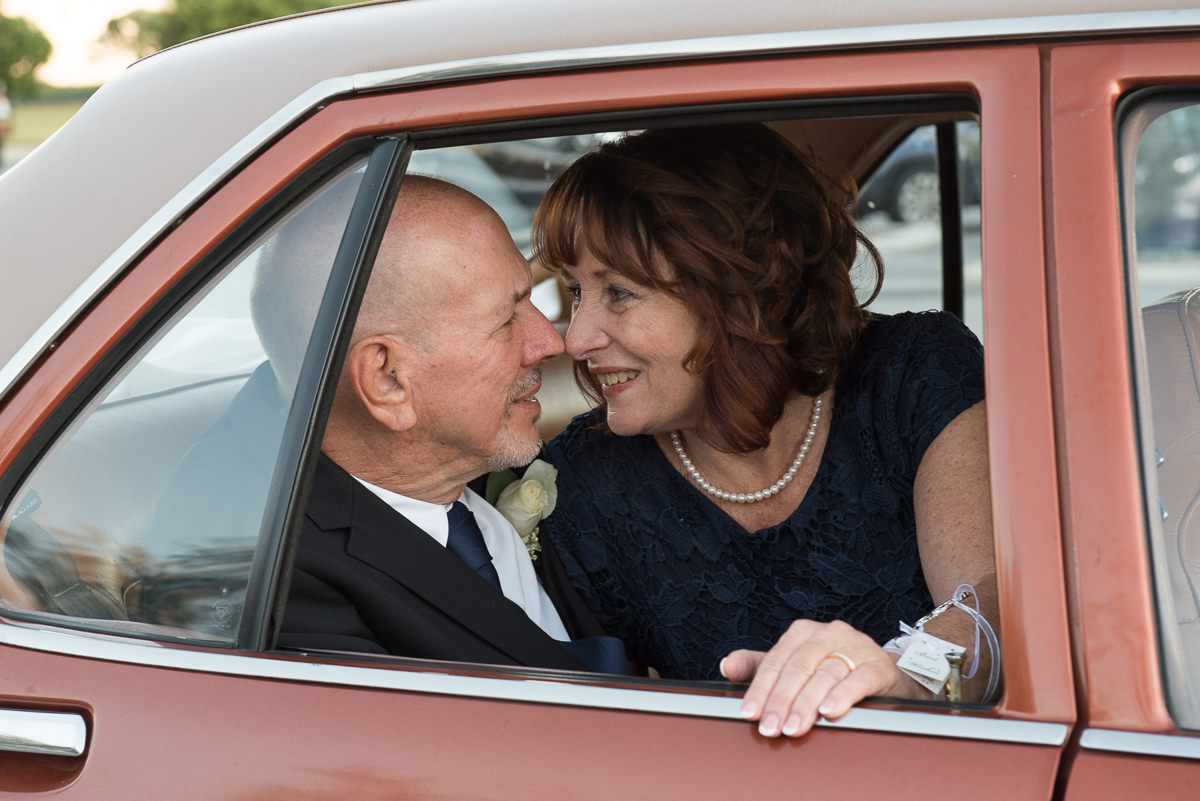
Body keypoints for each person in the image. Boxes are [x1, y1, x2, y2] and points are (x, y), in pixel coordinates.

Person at [532, 123, 997, 735]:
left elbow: (992, 599)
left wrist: (905, 673)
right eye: (574, 291)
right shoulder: (582, 485)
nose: (577, 338)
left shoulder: (911, 373)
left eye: (619, 292)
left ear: (738, 292)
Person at [151, 171, 625, 673]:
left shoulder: (438, 449)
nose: (553, 343)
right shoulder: (271, 580)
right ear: (388, 379)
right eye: (507, 320)